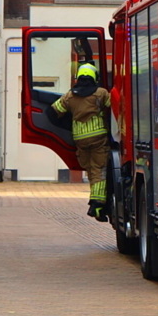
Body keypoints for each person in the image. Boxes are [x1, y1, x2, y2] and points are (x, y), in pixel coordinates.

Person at [51, 63, 111, 222]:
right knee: (99, 170)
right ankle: (97, 204)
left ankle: (96, 201)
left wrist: (68, 126)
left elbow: (53, 112)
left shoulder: (70, 95)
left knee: (91, 170)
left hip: (79, 138)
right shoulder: (101, 93)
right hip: (98, 137)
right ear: (94, 77)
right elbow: (114, 108)